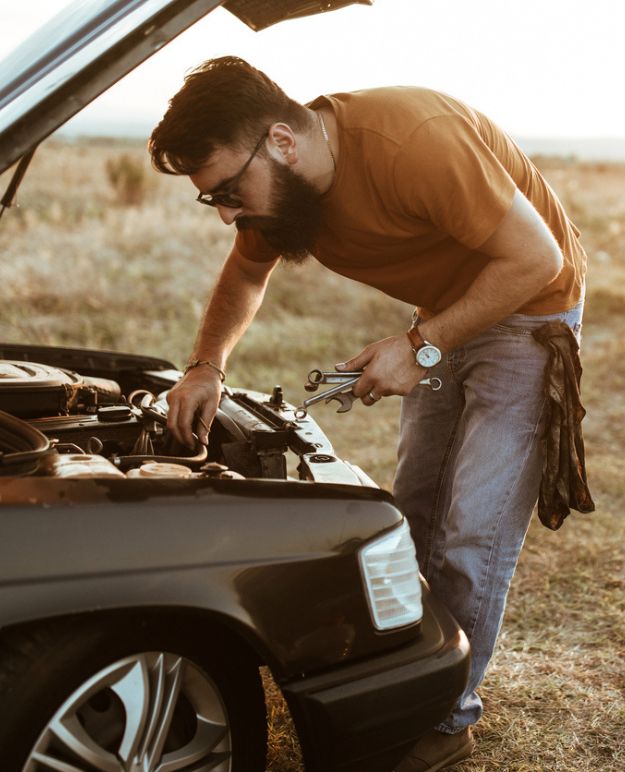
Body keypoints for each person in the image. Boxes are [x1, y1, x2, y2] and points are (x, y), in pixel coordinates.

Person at [148, 56, 587, 771]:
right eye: (212, 201)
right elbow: (245, 273)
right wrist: (206, 367)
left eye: (229, 191)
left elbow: (534, 259)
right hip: (443, 317)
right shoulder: (279, 191)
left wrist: (419, 348)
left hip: (527, 314)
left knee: (471, 534)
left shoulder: (415, 139)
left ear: (282, 142)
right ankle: (401, 690)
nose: (229, 213)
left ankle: (446, 720)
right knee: (407, 516)